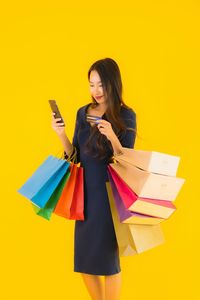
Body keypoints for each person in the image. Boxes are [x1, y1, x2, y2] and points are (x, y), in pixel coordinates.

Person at [51, 57, 137, 300]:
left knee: (109, 262)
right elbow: (75, 157)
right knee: (85, 260)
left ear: (113, 83)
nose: (96, 91)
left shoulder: (126, 115)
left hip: (109, 196)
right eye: (91, 85)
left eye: (101, 85)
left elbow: (127, 160)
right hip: (85, 195)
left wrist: (112, 135)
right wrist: (61, 134)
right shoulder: (83, 112)